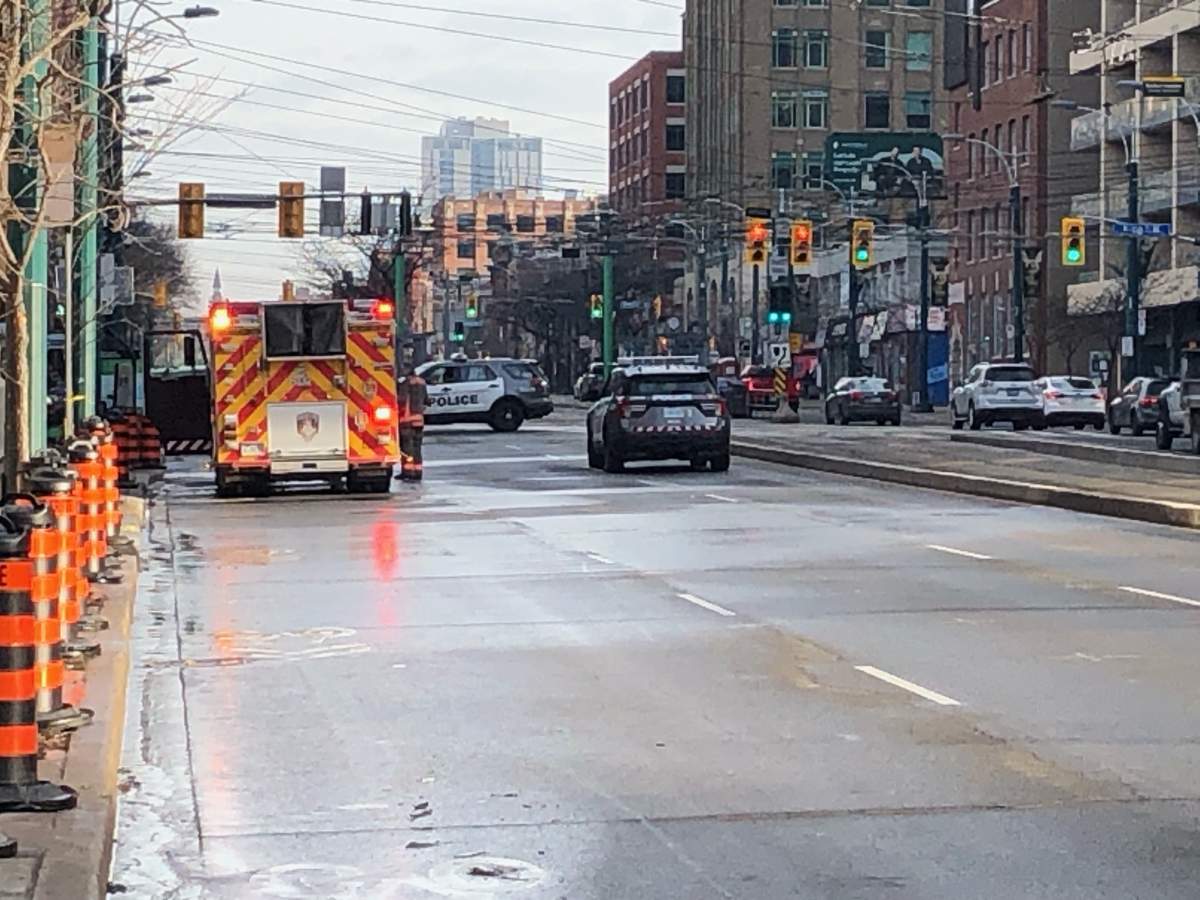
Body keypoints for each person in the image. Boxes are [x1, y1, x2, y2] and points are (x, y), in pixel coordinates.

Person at [397, 363, 427, 482]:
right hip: (419, 421)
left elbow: (402, 399)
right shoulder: (422, 382)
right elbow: (426, 399)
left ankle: (408, 472)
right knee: (417, 448)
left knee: (407, 448)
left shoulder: (405, 383)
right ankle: (418, 471)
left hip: (407, 420)